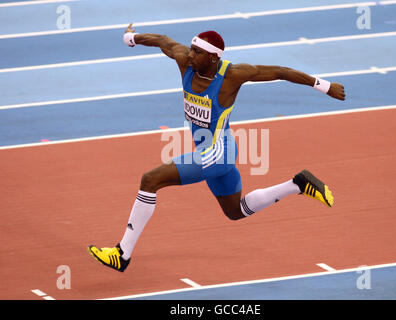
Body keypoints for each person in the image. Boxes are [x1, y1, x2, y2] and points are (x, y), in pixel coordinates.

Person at [88, 24, 346, 272]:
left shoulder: (233, 75)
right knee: (235, 211)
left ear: (213, 58)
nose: (190, 55)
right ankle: (298, 184)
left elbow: (280, 71)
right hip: (214, 153)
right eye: (190, 49)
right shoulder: (185, 62)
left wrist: (324, 86)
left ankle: (122, 254)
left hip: (218, 152)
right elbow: (163, 41)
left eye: (197, 52)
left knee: (150, 180)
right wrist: (132, 38)